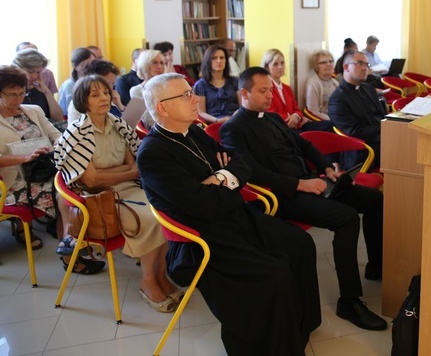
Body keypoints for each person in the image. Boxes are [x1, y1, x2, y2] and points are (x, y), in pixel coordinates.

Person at [137, 73, 321, 355]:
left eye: (191, 92)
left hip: (235, 214)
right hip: (203, 236)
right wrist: (227, 179)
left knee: (301, 244)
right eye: (185, 95)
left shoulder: (194, 131)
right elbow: (203, 206)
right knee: (275, 274)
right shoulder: (153, 153)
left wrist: (220, 178)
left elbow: (241, 162)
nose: (195, 98)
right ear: (162, 107)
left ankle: (301, 324)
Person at [221, 67, 387, 331]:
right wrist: (301, 184)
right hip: (284, 195)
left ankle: (376, 266)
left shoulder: (273, 118)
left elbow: (305, 145)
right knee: (346, 219)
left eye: (271, 89)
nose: (270, 95)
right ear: (244, 93)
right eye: (263, 91)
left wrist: (328, 166)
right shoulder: (233, 129)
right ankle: (350, 301)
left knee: (376, 201)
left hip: (313, 181)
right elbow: (253, 172)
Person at [54, 75, 180, 305]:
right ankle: (149, 281)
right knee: (150, 219)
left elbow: (134, 164)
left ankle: (161, 276)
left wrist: (121, 172)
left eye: (106, 91)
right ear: (83, 101)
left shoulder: (118, 123)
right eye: (95, 94)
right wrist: (126, 172)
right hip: (98, 199)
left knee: (165, 212)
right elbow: (91, 181)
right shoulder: (77, 132)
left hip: (129, 188)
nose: (104, 97)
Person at [0, 66, 61, 250]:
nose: (18, 99)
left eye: (22, 93)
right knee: (60, 193)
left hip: (44, 168)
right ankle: (68, 238)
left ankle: (69, 234)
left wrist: (56, 147)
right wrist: (23, 157)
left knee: (71, 185)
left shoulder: (33, 110)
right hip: (11, 179)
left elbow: (57, 135)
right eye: (12, 94)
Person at [328, 50, 386, 169]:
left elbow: (382, 116)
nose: (365, 68)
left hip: (383, 138)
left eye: (366, 64)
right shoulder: (337, 99)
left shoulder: (368, 88)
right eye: (360, 63)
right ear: (346, 67)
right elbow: (355, 132)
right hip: (364, 150)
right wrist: (387, 131)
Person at [261, 48, 332, 131]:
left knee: (329, 126)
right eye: (275, 64)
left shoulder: (287, 88)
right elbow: (270, 114)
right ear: (267, 67)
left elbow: (297, 109)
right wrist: (296, 119)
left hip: (295, 125)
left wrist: (296, 116)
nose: (280, 67)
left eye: (282, 63)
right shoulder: (266, 89)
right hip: (281, 128)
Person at [12, 49, 65, 124]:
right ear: (17, 70)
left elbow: (58, 118)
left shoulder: (40, 89)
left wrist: (47, 92)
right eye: (30, 72)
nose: (34, 76)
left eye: (38, 72)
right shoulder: (9, 92)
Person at [193, 44, 239, 124]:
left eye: (222, 58)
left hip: (236, 120)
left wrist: (235, 116)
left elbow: (243, 106)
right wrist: (217, 120)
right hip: (214, 122)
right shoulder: (201, 85)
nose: (219, 61)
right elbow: (201, 112)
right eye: (214, 58)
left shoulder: (235, 81)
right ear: (208, 61)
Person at [128, 50, 166, 129]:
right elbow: (147, 118)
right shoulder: (136, 90)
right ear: (144, 64)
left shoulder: (168, 86)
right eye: (155, 62)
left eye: (162, 63)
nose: (159, 66)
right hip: (155, 132)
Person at [57, 47, 96, 113]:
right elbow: (73, 111)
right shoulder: (69, 85)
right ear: (75, 67)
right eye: (86, 66)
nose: (91, 69)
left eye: (93, 64)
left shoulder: (96, 82)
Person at [305, 49, 338, 121]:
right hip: (322, 121)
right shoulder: (313, 83)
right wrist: (335, 121)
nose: (329, 64)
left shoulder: (336, 82)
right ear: (316, 66)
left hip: (336, 119)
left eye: (331, 61)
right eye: (323, 62)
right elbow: (313, 111)